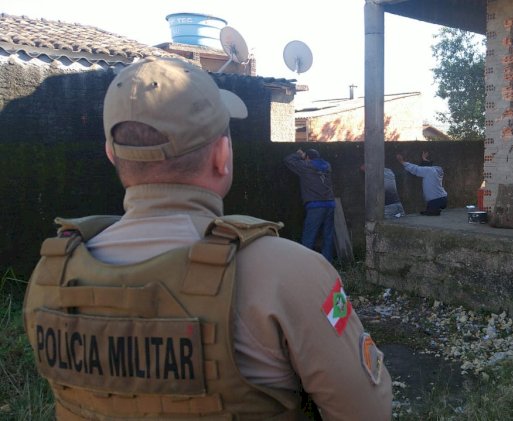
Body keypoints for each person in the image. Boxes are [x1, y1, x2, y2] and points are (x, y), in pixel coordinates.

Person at [23, 56, 392, 420]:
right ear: (221, 155)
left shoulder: (50, 275)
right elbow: (367, 412)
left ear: (111, 154)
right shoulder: (288, 272)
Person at [284, 148, 336, 262]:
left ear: (307, 158)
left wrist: (300, 155)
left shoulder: (305, 167)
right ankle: (328, 265)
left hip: (316, 206)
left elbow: (288, 160)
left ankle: (305, 264)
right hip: (330, 204)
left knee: (309, 237)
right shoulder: (327, 166)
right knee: (328, 236)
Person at [396, 151, 448, 216]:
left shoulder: (429, 170)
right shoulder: (439, 171)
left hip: (435, 200)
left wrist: (402, 162)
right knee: (426, 212)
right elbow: (429, 165)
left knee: (431, 214)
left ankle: (435, 211)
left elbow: (416, 169)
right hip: (443, 198)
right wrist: (424, 159)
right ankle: (433, 210)